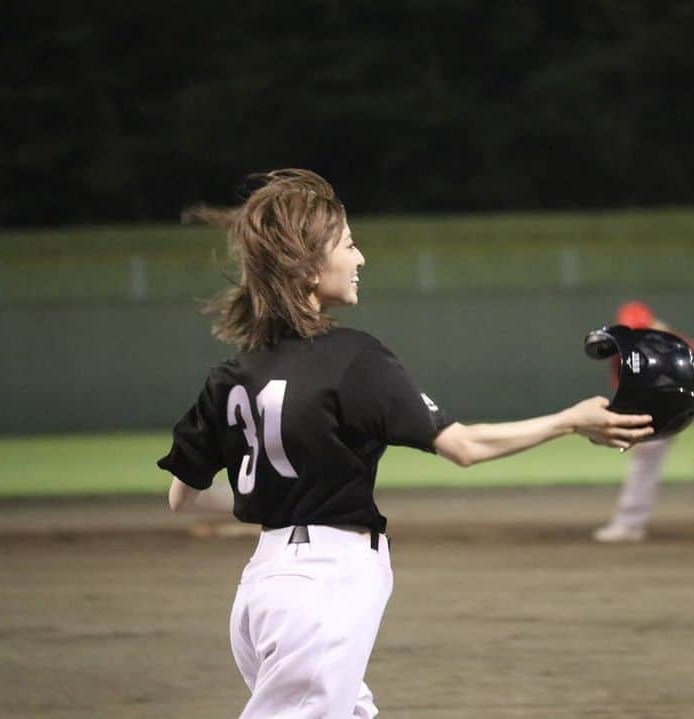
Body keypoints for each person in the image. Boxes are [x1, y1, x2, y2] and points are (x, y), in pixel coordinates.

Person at [157, 169, 653, 719]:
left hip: (262, 590)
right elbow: (464, 446)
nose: (360, 257)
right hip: (321, 586)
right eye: (347, 244)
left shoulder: (231, 374)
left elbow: (185, 497)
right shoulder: (351, 357)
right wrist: (569, 420)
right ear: (305, 266)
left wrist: (279, 501)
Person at [593, 301, 694, 543]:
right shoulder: (620, 358)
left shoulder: (670, 347)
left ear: (652, 326)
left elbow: (691, 387)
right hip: (668, 394)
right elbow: (627, 399)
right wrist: (633, 432)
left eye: (641, 329)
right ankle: (629, 524)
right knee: (647, 451)